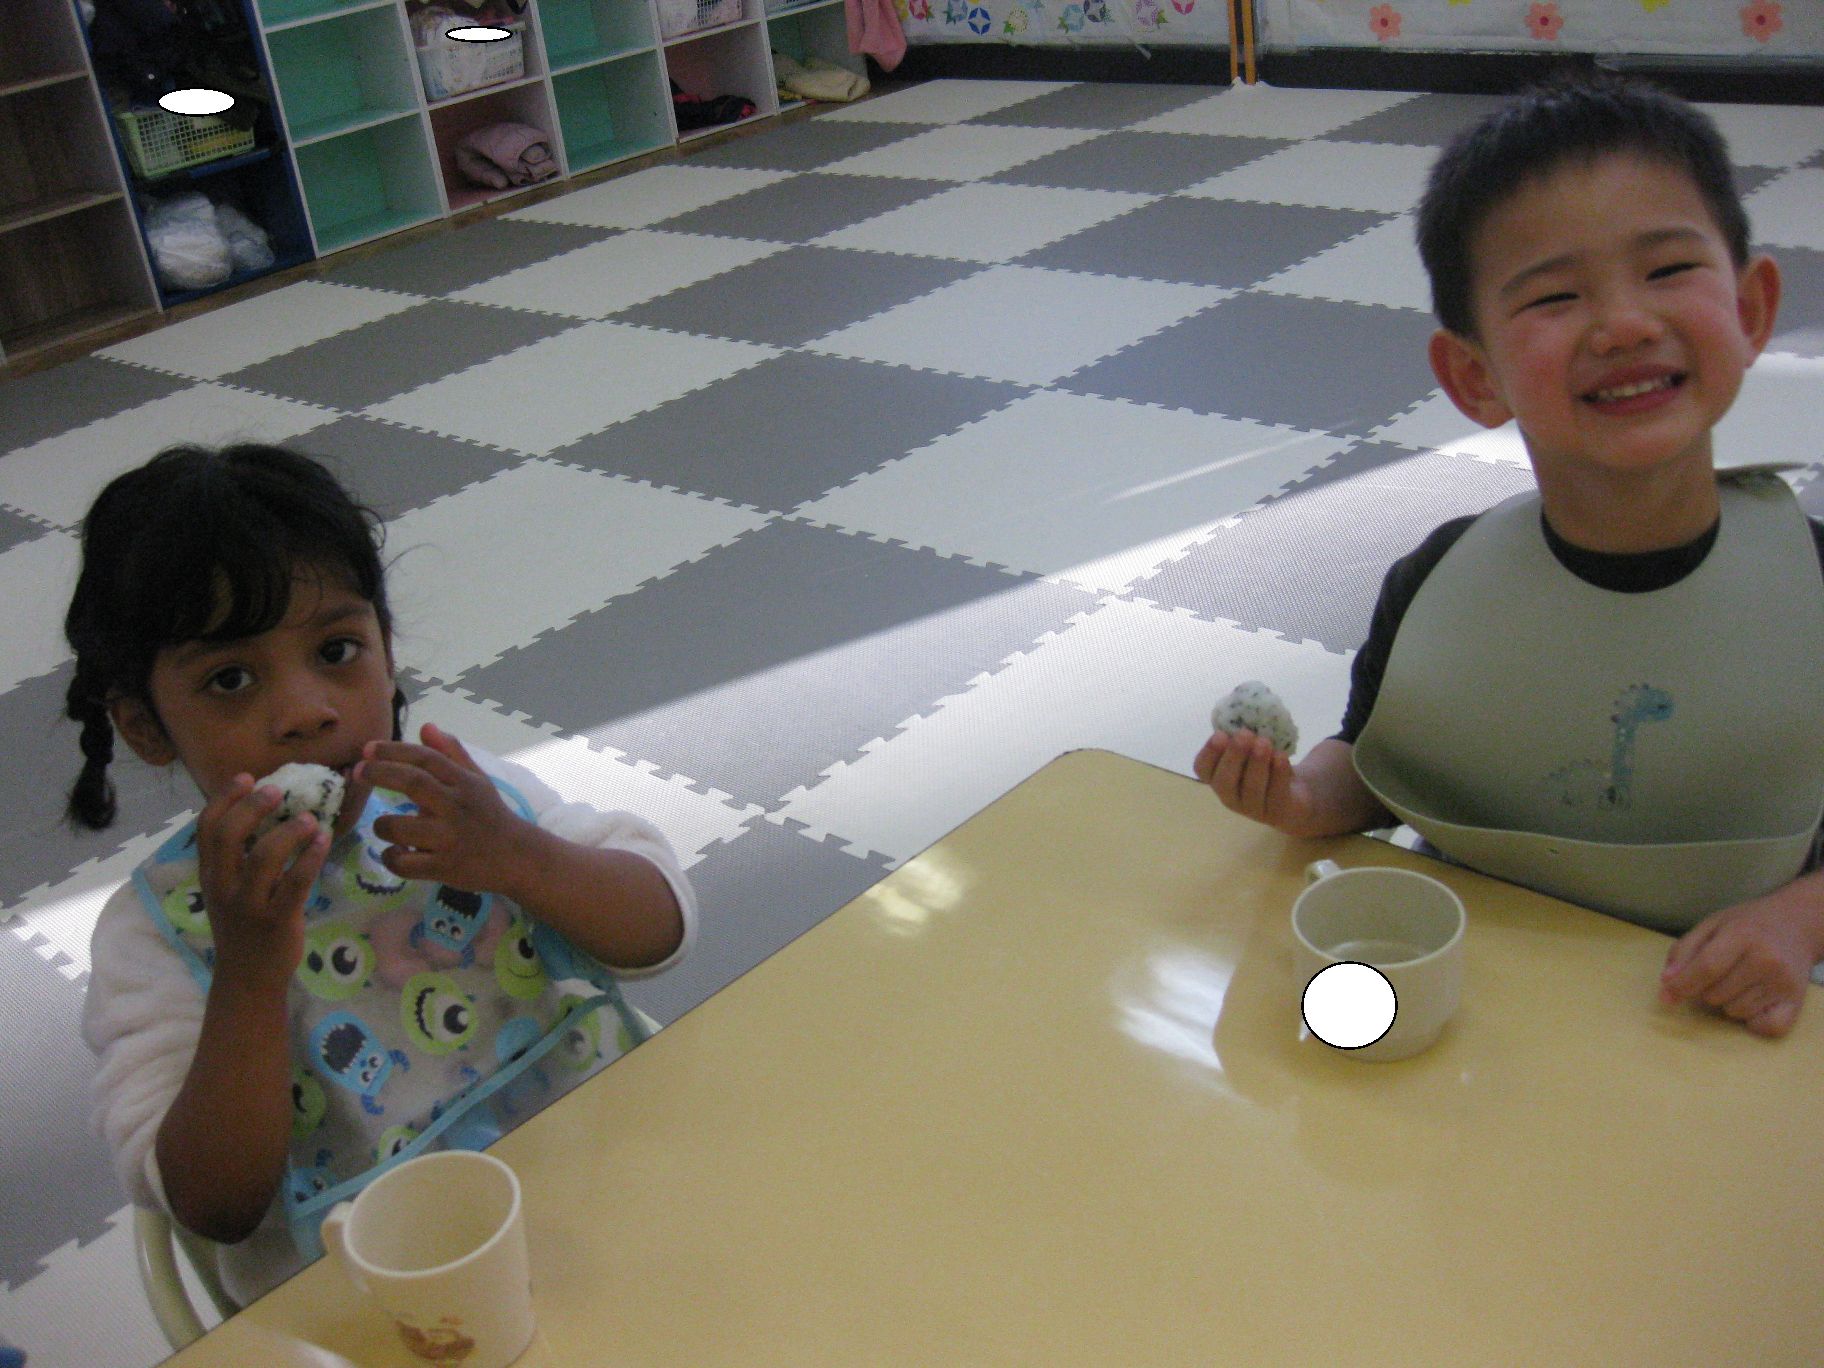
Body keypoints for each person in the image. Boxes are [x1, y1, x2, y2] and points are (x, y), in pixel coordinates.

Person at [1196, 72, 1824, 1039]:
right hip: (1475, 1012)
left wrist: (1797, 920)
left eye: (1666, 270)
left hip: (1716, 1021)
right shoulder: (1440, 582)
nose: (1623, 324)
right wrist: (1300, 796)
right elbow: (1378, 764)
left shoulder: (1812, 583)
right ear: (1474, 374)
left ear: (1750, 310)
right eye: (1557, 295)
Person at [73, 444, 698, 1304]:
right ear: (146, 727)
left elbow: (660, 933)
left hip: (618, 1185)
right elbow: (214, 1205)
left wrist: (521, 857)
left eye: (337, 650)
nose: (306, 712)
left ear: (386, 647)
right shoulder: (153, 933)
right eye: (230, 679)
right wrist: (249, 971)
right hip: (377, 1298)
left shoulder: (463, 800)